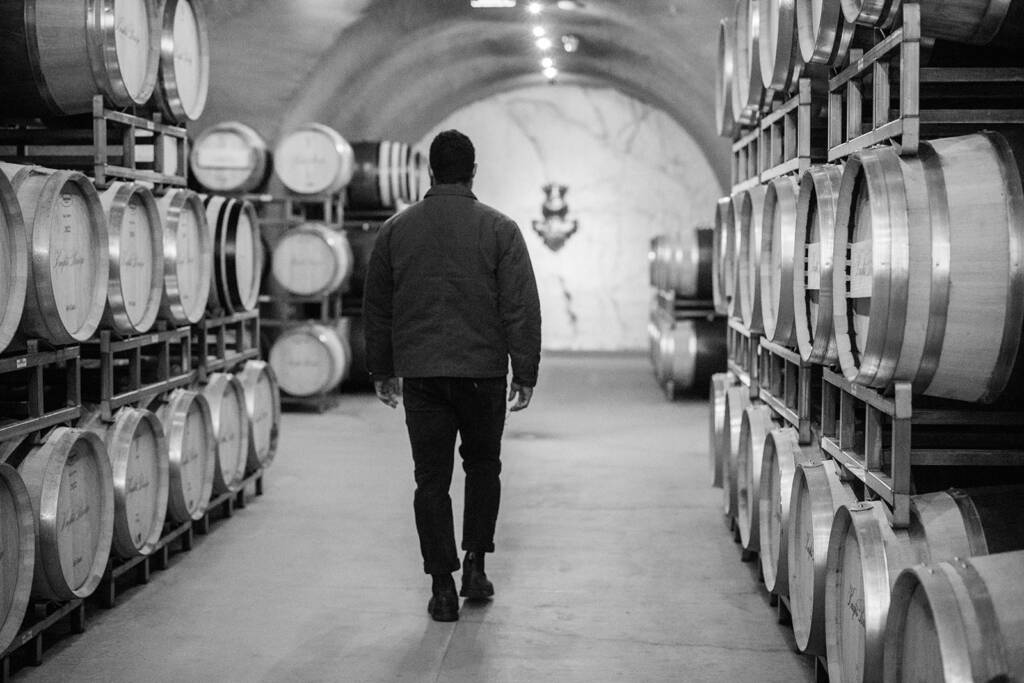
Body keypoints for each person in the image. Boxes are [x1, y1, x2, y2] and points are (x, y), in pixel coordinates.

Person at [363, 129, 542, 623]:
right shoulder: (500, 229)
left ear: (430, 172)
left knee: (431, 480)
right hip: (482, 372)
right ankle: (475, 567)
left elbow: (377, 306)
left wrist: (382, 368)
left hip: (422, 373)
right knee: (483, 467)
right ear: (473, 172)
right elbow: (520, 305)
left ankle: (441, 587)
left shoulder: (396, 230)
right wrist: (523, 370)